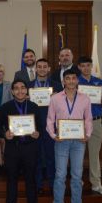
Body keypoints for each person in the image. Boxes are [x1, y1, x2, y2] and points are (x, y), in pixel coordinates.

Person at [46, 69, 92, 203]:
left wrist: (88, 134)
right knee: (60, 175)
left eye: (73, 78)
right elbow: (50, 119)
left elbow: (88, 119)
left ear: (77, 80)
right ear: (63, 81)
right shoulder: (55, 98)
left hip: (79, 142)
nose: (71, 81)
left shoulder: (85, 98)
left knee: (77, 175)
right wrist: (54, 135)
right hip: (61, 141)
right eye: (68, 78)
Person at [0, 79, 42, 203]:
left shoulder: (34, 106)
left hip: (30, 147)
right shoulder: (5, 107)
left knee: (31, 178)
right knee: (11, 178)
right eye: (16, 88)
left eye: (22, 88)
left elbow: (40, 126)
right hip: (12, 148)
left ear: (27, 90)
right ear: (12, 91)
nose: (19, 90)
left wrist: (38, 133)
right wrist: (5, 134)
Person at [28, 58, 62, 194]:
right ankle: (38, 184)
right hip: (34, 126)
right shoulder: (28, 86)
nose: (42, 69)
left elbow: (64, 107)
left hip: (51, 126)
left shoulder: (57, 86)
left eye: (44, 67)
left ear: (49, 69)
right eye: (39, 67)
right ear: (36, 69)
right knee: (36, 157)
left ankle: (53, 184)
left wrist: (57, 98)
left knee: (51, 156)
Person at [77, 56, 102, 195]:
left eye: (88, 65)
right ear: (79, 67)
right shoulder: (74, 81)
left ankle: (96, 183)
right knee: (77, 153)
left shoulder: (100, 82)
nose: (85, 68)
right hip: (79, 122)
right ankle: (77, 182)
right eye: (83, 66)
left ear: (92, 66)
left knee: (94, 154)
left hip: (96, 121)